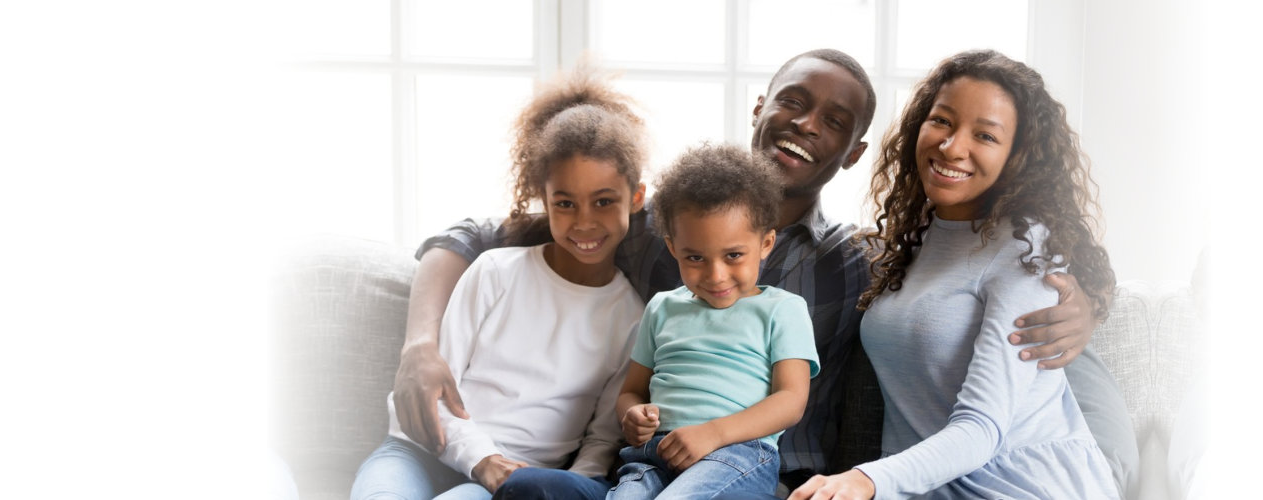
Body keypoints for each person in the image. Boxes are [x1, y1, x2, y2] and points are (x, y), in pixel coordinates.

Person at [397, 49, 1138, 495]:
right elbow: (477, 233)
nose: (807, 123)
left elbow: (1032, 356)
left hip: (770, 475)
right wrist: (422, 345)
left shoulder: (863, 261)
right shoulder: (660, 224)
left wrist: (1092, 304)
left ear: (853, 153)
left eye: (836, 121)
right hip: (649, 458)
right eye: (793, 101)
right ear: (760, 106)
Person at [791, 49, 1118, 500]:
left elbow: (982, 427)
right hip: (929, 486)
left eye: (984, 135)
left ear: (1017, 156)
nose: (952, 146)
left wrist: (865, 479)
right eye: (942, 121)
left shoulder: (1026, 250)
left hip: (1018, 486)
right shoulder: (916, 239)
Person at [350, 66, 651, 500]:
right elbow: (434, 391)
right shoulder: (495, 272)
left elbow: (602, 439)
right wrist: (483, 460)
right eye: (564, 204)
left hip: (514, 479)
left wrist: (570, 486)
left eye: (604, 202)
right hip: (418, 451)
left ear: (636, 197)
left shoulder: (633, 318)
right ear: (543, 201)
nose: (585, 222)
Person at [601, 144, 819, 499]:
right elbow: (632, 391)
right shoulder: (662, 308)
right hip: (653, 456)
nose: (716, 275)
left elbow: (791, 400)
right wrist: (633, 414)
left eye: (733, 255)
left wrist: (714, 433)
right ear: (673, 249)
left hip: (737, 453)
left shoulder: (783, 309)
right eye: (696, 257)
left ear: (765, 243)